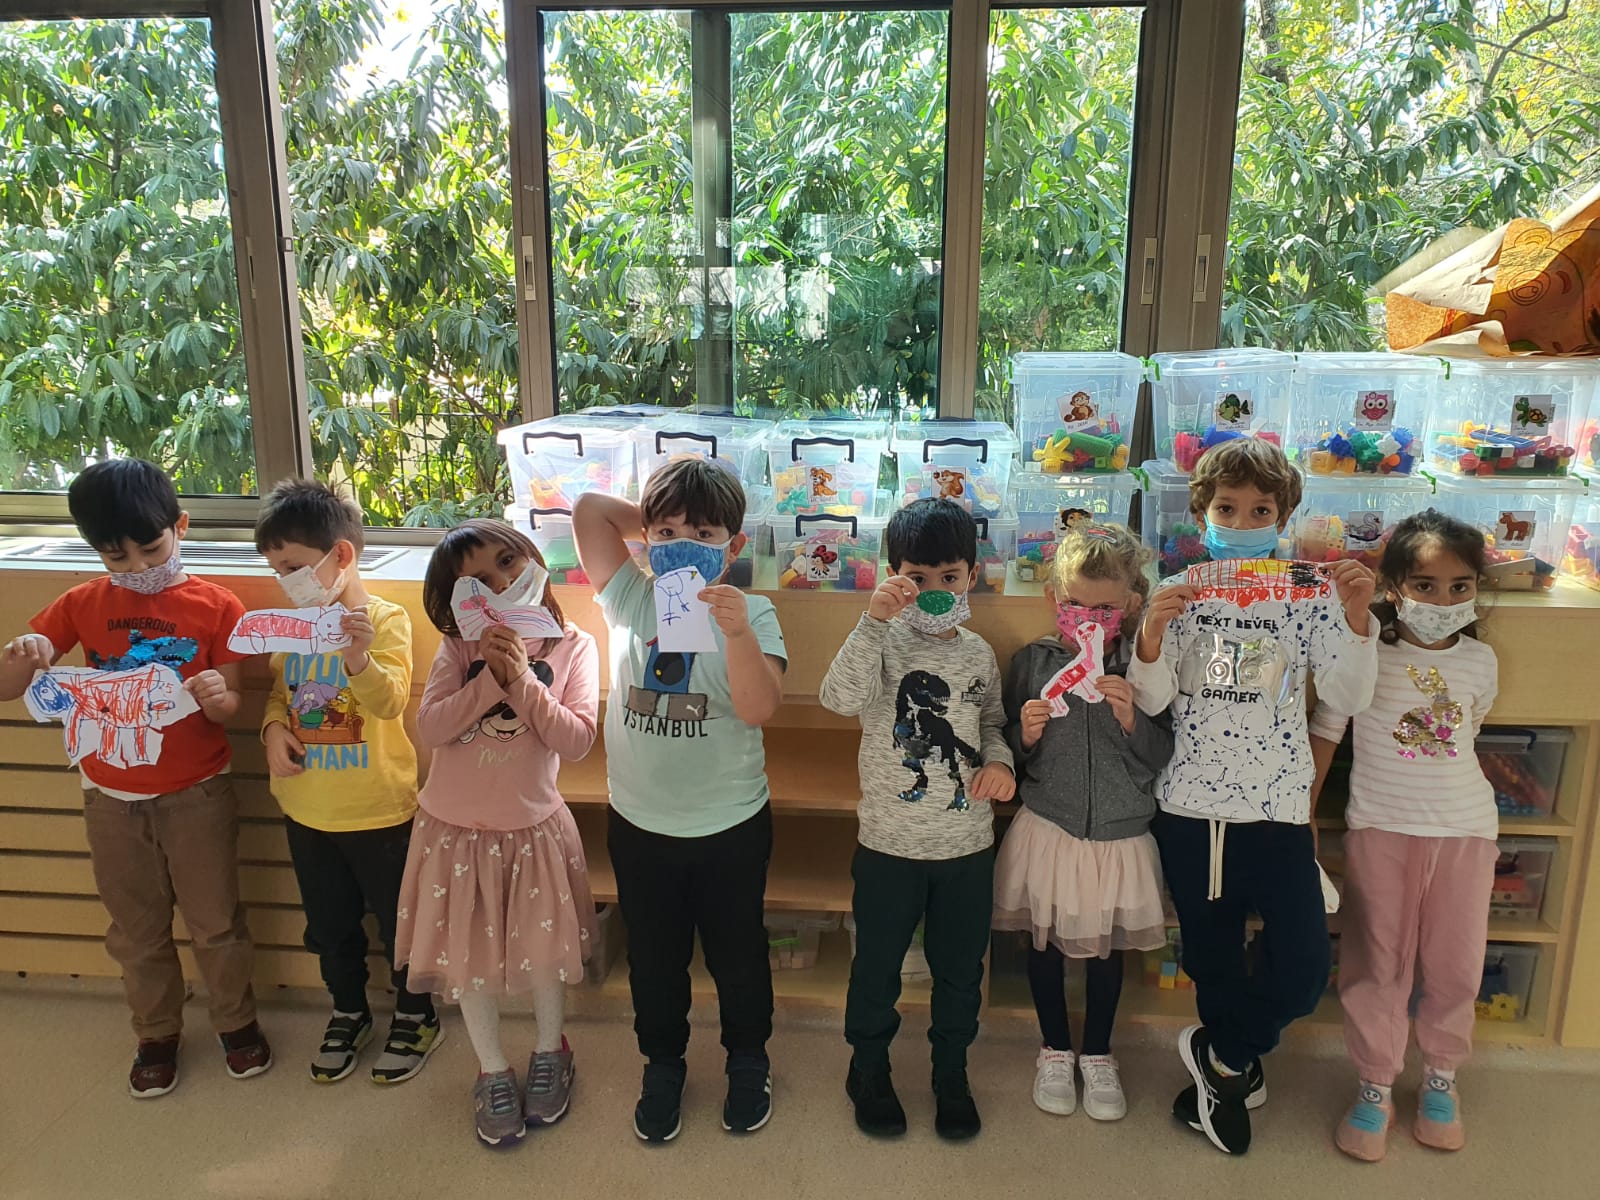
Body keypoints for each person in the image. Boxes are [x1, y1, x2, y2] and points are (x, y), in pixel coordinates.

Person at [1128, 437, 1378, 1156]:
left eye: (1261, 510)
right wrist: (1152, 633)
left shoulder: (1310, 592)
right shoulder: (1180, 588)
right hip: (1193, 810)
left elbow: (1348, 694)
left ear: (1284, 516)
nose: (1242, 521)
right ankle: (1232, 1065)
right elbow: (1151, 701)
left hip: (1277, 810)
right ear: (1201, 514)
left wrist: (1357, 619)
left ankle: (1223, 1056)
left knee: (1302, 969)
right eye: (1227, 509)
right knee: (1212, 963)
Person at [0, 459, 270, 1097]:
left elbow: (232, 706)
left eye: (151, 548)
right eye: (116, 556)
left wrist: (217, 695)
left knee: (216, 922)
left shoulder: (217, 605)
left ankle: (236, 1022)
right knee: (135, 928)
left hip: (198, 792)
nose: (138, 566)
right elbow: (9, 689)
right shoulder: (82, 602)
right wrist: (23, 655)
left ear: (181, 526)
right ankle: (155, 1032)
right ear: (95, 550)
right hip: (109, 798)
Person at [573, 457, 787, 1143]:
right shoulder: (633, 595)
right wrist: (659, 535)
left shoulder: (754, 612)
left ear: (734, 545)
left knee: (738, 955)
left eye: (704, 533)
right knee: (655, 960)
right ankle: (662, 1062)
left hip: (730, 823)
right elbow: (587, 511)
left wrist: (736, 632)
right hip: (640, 823)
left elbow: (758, 709)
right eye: (666, 532)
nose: (681, 543)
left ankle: (748, 1059)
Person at [396, 519, 599, 1148]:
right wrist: (488, 675)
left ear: (534, 559)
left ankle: (550, 1051)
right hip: (453, 834)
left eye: (509, 562)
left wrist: (522, 683)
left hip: (532, 831)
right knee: (469, 958)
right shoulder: (458, 649)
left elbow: (576, 739)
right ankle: (491, 1069)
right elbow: (431, 728)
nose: (503, 583)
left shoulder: (574, 646)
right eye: (480, 581)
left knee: (544, 954)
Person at [819, 498, 1015, 1141]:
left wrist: (1000, 763)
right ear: (894, 575)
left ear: (971, 575)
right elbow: (838, 698)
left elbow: (992, 724)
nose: (935, 590)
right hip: (888, 846)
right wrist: (873, 620)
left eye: (949, 577)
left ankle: (950, 1072)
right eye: (918, 577)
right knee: (876, 968)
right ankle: (868, 1068)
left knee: (960, 973)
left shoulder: (979, 653)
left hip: (966, 847)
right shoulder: (880, 641)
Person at [1309, 510, 1498, 1161]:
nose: (1442, 600)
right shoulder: (1366, 654)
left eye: (1459, 586)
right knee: (1377, 962)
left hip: (1466, 832)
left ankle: (1441, 1075)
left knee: (1455, 963)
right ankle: (1375, 1084)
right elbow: (1326, 733)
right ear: (1394, 586)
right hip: (1381, 831)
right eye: (1424, 585)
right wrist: (1305, 816)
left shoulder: (1481, 660)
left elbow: (1469, 732)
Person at [254, 479, 440, 1084]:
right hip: (307, 810)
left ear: (341, 555)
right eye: (277, 570)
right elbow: (280, 694)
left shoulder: (384, 620)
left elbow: (389, 702)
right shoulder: (290, 627)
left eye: (293, 567)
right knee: (329, 926)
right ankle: (348, 1010)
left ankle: (416, 1012)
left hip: (380, 810)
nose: (285, 581)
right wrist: (272, 729)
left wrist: (356, 655)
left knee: (399, 922)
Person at [993, 522, 1173, 1121]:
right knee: (1043, 943)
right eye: (1074, 605)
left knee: (1105, 952)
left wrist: (1133, 722)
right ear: (1054, 598)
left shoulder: (1146, 667)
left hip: (1120, 837)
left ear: (1131, 604)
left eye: (1104, 609)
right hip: (1050, 828)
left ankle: (1098, 1053)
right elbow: (1008, 752)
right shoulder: (1033, 662)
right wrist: (1025, 734)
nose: (1088, 620)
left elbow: (1162, 755)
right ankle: (1053, 1048)